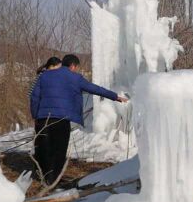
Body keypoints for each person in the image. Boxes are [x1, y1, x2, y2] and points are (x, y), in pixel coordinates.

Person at [30, 54, 128, 185]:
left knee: (44, 148)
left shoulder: (44, 76)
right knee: (59, 150)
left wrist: (35, 115)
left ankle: (43, 177)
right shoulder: (74, 77)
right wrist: (115, 97)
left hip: (43, 119)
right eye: (76, 68)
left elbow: (34, 97)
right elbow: (95, 89)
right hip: (61, 120)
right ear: (73, 66)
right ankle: (53, 180)